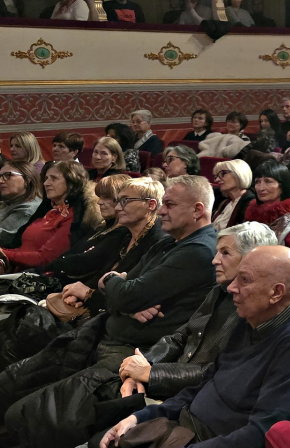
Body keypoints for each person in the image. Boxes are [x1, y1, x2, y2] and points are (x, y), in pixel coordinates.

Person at [34, 244, 290, 448]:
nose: (232, 288)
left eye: (245, 280)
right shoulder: (249, 318)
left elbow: (260, 435)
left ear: (276, 292)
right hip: (177, 432)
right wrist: (140, 416)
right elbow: (203, 386)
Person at [0, 176, 217, 421]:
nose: (163, 211)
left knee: (29, 410)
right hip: (104, 328)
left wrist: (119, 289)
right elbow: (119, 288)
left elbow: (123, 291)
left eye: (170, 205)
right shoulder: (167, 242)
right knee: (15, 378)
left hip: (129, 348)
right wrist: (123, 294)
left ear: (197, 210)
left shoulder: (197, 250)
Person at [0, 162, 101, 273]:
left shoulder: (73, 217)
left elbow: (44, 259)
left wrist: (4, 253)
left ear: (71, 182)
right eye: (46, 178)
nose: (46, 183)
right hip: (17, 271)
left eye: (54, 178)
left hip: (38, 279)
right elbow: (22, 248)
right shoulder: (49, 210)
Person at [243, 159, 290, 237]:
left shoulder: (289, 218)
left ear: (282, 185)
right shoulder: (252, 213)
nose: (261, 188)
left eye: (268, 181)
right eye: (257, 182)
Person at [0, 160, 42, 248]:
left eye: (8, 175)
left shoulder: (28, 208)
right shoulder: (9, 201)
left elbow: (3, 237)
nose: (1, 181)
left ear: (27, 179)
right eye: (0, 176)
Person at [211, 159, 255, 230]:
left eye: (223, 174)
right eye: (216, 176)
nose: (217, 180)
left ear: (238, 174)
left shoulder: (250, 203)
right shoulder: (223, 202)